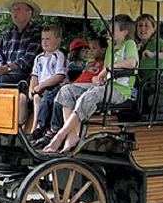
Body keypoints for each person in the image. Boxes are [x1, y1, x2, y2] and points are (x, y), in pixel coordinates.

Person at [44, 15, 138, 153]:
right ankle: (72, 135)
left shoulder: (129, 44)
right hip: (107, 87)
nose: (109, 32)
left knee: (89, 95)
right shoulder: (111, 49)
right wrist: (100, 78)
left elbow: (132, 63)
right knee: (67, 90)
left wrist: (108, 69)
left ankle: (60, 135)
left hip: (121, 91)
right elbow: (105, 73)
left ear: (124, 32)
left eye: (113, 29)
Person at [32, 37, 108, 149]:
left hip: (84, 88)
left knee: (59, 95)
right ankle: (45, 128)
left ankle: (54, 129)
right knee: (55, 95)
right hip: (75, 85)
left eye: (93, 48)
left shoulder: (104, 64)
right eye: (89, 49)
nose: (90, 51)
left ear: (103, 50)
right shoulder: (90, 64)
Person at [0, 0, 42, 122]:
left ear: (29, 13)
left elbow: (28, 59)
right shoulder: (8, 33)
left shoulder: (37, 32)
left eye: (18, 9)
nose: (14, 13)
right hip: (7, 75)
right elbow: (0, 56)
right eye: (13, 10)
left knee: (1, 81)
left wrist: (5, 69)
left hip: (27, 77)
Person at [27, 24, 67, 140]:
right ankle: (34, 127)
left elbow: (59, 76)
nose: (44, 42)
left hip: (54, 85)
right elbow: (34, 75)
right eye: (43, 39)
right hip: (41, 86)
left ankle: (40, 126)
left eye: (48, 39)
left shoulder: (59, 56)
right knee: (36, 98)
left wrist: (41, 86)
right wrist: (32, 88)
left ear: (58, 41)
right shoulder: (39, 57)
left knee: (46, 99)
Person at [135, 14, 163, 89]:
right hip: (142, 90)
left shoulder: (157, 42)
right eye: (140, 25)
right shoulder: (136, 45)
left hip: (156, 90)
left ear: (153, 29)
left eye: (146, 26)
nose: (142, 28)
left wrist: (154, 55)